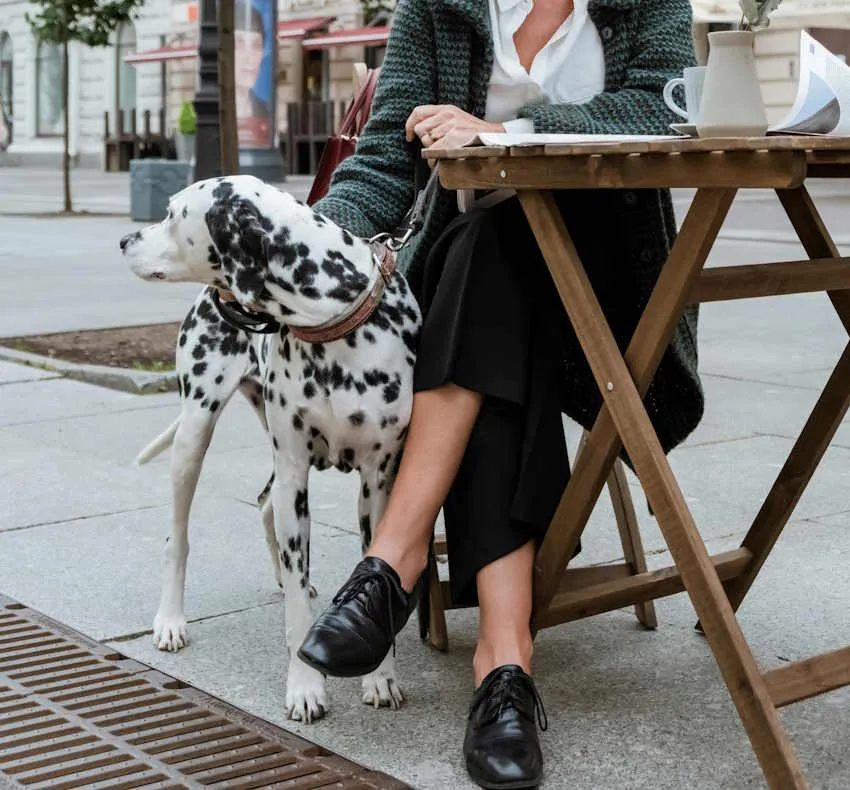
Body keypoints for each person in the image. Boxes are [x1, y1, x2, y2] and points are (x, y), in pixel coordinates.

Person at [298, 0, 705, 786]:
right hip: (468, 284)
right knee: (492, 262)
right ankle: (504, 664)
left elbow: (666, 103)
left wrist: (504, 135)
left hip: (610, 303)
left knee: (498, 249)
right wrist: (310, 248)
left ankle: (394, 558)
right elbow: (386, 157)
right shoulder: (438, 7)